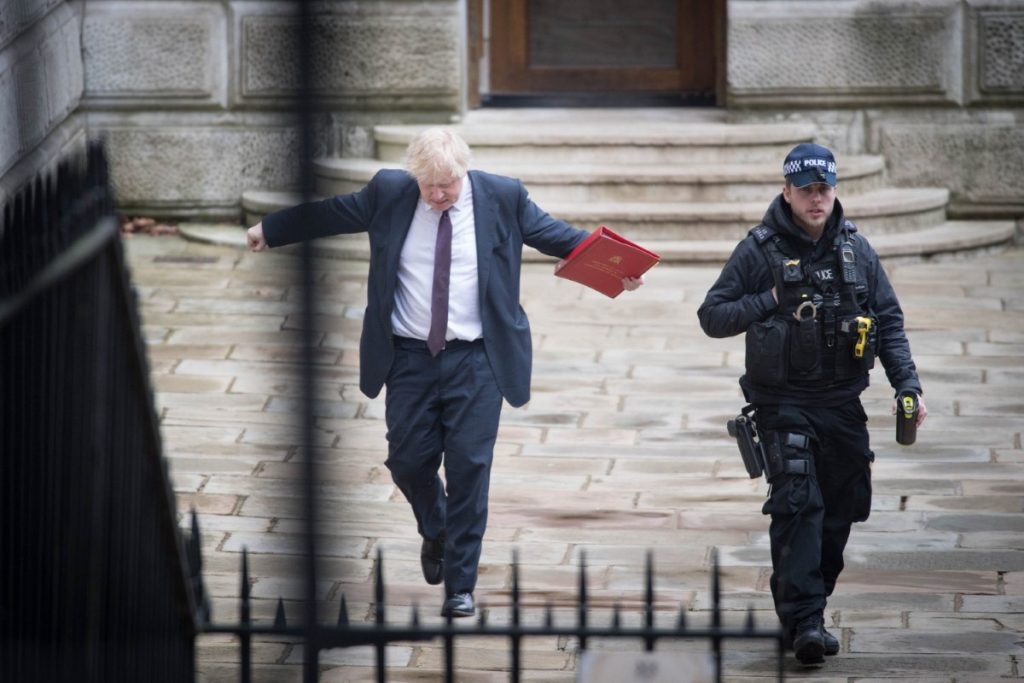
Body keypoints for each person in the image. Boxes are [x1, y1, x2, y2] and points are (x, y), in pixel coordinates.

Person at [247, 127, 642, 618]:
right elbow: (330, 213)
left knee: (469, 470)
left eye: (447, 185)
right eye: (429, 185)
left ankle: (460, 585)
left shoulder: (502, 196)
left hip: (477, 359)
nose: (438, 194)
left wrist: (617, 266)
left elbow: (557, 236)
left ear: (463, 172)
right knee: (408, 460)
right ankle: (437, 528)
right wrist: (272, 228)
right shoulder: (389, 193)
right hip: (409, 357)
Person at [697, 143, 928, 665]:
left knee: (841, 509)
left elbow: (888, 321)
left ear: (834, 189)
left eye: (824, 188)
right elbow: (713, 315)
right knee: (799, 504)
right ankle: (804, 620)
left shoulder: (856, 249)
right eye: (806, 190)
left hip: (844, 404)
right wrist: (770, 300)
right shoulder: (758, 249)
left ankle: (811, 604)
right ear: (787, 192)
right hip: (782, 404)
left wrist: (907, 386)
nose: (816, 198)